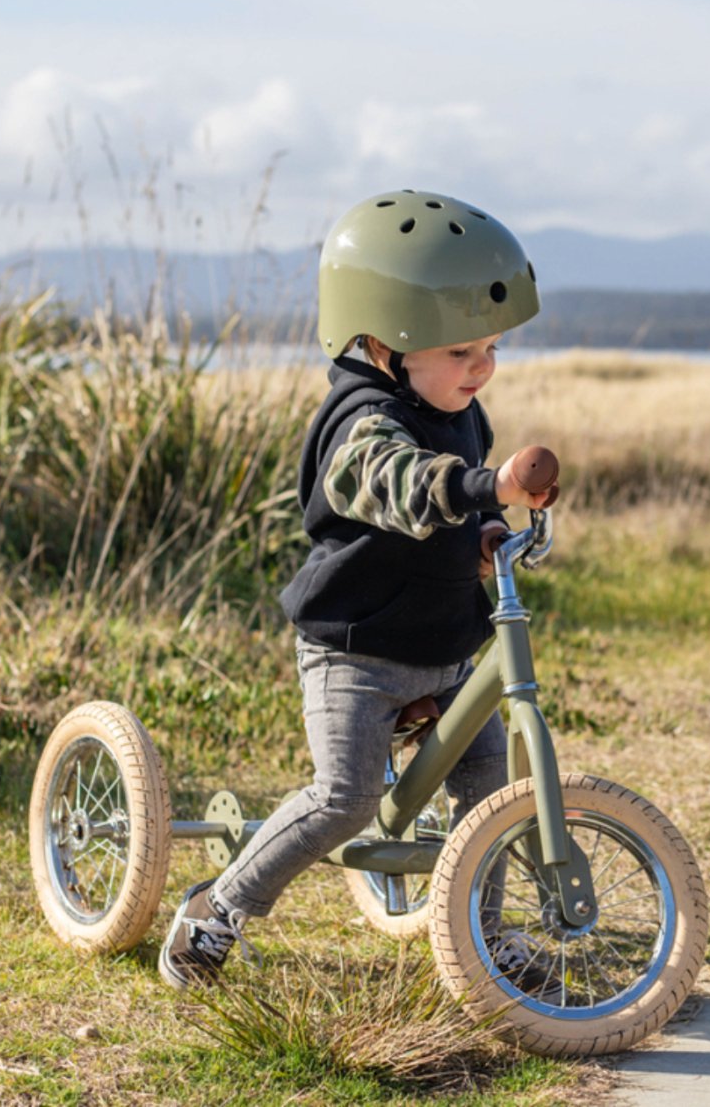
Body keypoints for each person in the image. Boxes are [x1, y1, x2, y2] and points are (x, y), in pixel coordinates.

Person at [159, 189, 553, 990]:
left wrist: (481, 537)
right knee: (342, 800)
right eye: (460, 351)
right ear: (382, 342)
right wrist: (488, 485)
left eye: (490, 348)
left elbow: (444, 517)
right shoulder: (359, 421)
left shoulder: (459, 408)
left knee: (488, 784)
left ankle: (482, 938)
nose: (482, 367)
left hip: (442, 643)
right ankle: (216, 909)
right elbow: (404, 486)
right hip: (357, 650)